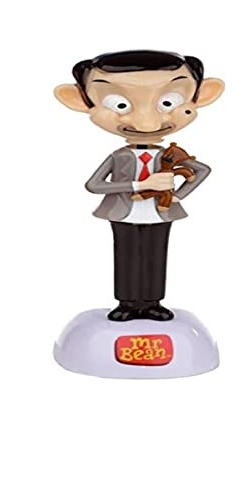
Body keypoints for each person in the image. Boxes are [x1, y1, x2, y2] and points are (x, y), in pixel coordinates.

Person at [54, 50, 224, 321]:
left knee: (156, 254)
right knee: (127, 255)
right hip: (123, 211)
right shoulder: (119, 157)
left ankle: (153, 302)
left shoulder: (171, 155)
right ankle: (127, 303)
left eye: (167, 102)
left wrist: (178, 195)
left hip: (160, 211)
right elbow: (94, 185)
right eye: (120, 105)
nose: (147, 122)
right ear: (80, 101)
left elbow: (202, 170)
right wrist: (138, 184)